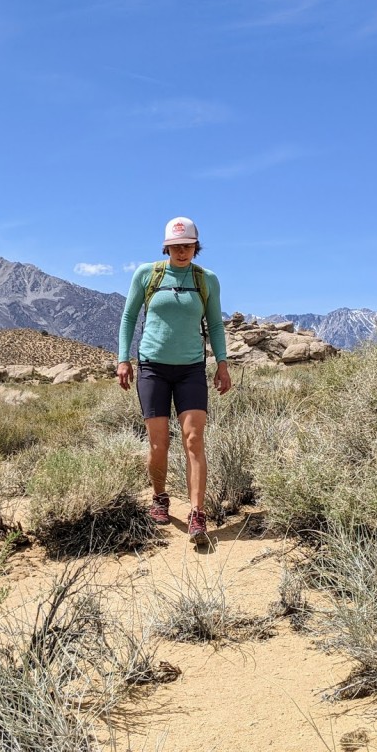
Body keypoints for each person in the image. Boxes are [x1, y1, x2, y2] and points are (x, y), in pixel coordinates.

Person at [116, 216, 232, 545]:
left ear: (197, 247)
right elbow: (128, 316)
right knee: (159, 442)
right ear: (166, 246)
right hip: (153, 368)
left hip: (191, 369)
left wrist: (222, 364)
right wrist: (123, 358)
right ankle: (160, 498)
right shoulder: (147, 274)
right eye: (176, 246)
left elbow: (215, 325)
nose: (182, 251)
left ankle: (197, 513)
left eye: (188, 245)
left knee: (194, 439)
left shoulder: (206, 280)